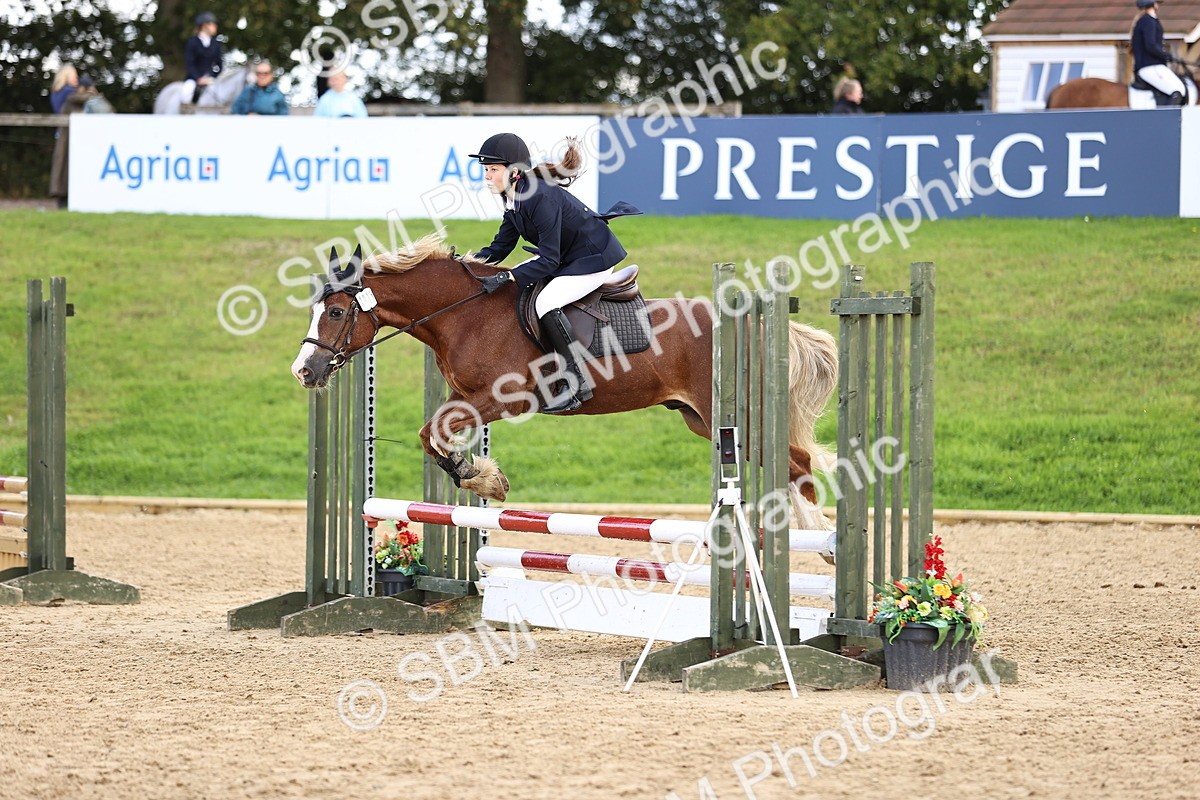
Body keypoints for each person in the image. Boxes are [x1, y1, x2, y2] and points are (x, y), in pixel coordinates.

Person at [470, 133, 641, 414]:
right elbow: (501, 246)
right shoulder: (514, 196)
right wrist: (467, 263)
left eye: (493, 170)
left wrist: (509, 276)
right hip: (569, 258)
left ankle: (576, 383)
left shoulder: (539, 196)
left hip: (593, 258)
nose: (487, 176)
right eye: (486, 170)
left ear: (514, 171)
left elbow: (549, 260)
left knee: (545, 302)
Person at [48, 67, 100, 207]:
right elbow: (87, 100)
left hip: (61, 132)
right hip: (69, 133)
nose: (77, 80)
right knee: (67, 167)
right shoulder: (69, 93)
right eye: (74, 77)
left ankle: (62, 198)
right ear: (65, 76)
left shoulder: (56, 92)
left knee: (62, 166)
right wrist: (90, 90)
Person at [1132, 0, 1186, 105]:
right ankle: (1168, 120)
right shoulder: (1148, 21)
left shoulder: (1147, 20)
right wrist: (1167, 55)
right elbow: (1151, 45)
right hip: (1150, 66)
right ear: (1153, 4)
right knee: (1178, 90)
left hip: (1151, 65)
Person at [182, 12, 223, 104]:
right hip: (193, 79)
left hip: (211, 80)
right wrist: (198, 78)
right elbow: (189, 64)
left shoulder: (216, 44)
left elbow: (219, 65)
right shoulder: (192, 42)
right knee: (185, 94)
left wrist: (211, 76)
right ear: (204, 25)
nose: (215, 26)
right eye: (213, 24)